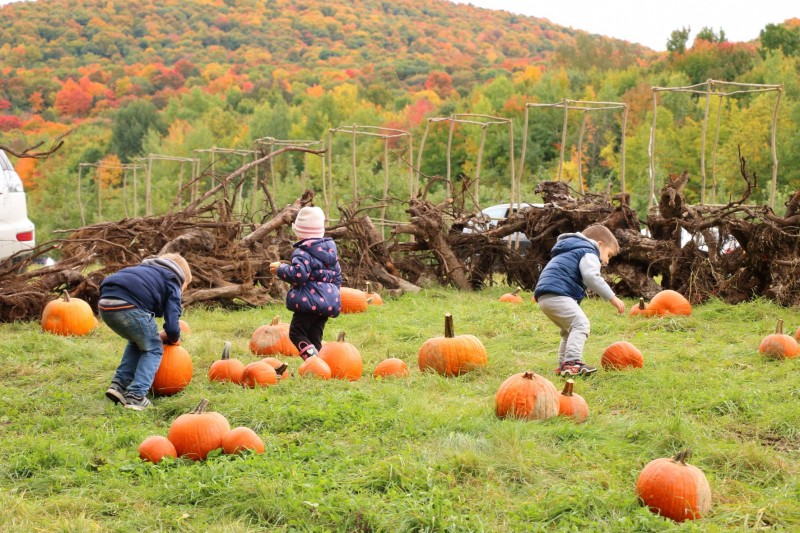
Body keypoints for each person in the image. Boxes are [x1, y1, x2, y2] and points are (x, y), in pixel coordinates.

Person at [98, 253, 192, 410]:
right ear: (182, 279)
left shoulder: (145, 271)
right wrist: (173, 336)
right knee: (154, 348)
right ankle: (136, 395)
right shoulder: (173, 279)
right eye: (184, 288)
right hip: (130, 305)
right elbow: (173, 315)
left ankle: (119, 385)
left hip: (105, 303)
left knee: (138, 340)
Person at [534, 224, 625, 377]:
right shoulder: (589, 251)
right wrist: (612, 297)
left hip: (545, 296)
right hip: (557, 294)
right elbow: (591, 276)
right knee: (581, 324)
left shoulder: (570, 249)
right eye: (608, 255)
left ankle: (564, 366)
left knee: (568, 331)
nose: (607, 261)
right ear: (600, 244)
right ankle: (572, 362)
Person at [270, 206, 342, 360]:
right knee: (315, 336)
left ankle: (313, 362)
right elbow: (337, 277)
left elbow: (298, 275)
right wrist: (332, 294)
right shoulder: (331, 253)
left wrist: (280, 269)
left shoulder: (303, 252)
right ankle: (321, 364)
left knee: (296, 333)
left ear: (299, 234)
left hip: (308, 302)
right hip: (327, 303)